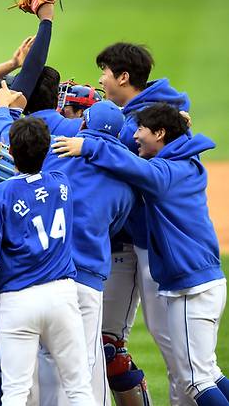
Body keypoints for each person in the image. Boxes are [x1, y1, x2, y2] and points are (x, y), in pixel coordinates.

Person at [52, 103, 229, 406]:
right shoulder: (184, 157)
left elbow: (134, 167)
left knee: (196, 380)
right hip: (201, 282)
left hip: (192, 287)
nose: (135, 136)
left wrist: (87, 145)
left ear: (160, 133)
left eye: (142, 130)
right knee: (208, 372)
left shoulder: (167, 172)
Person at [0, 116, 95, 405]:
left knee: (15, 392)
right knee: (79, 387)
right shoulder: (61, 183)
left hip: (19, 301)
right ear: (47, 149)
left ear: (12, 153)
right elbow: (30, 191)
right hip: (62, 296)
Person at [95, 42, 191, 404]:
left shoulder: (148, 121)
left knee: (179, 352)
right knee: (107, 344)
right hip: (127, 243)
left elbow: (118, 159)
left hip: (155, 245)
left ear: (123, 76)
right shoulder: (151, 112)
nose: (102, 79)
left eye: (105, 72)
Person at [39, 100, 136, 405]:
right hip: (87, 282)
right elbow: (115, 225)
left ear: (84, 125)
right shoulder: (125, 183)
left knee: (45, 358)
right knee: (84, 365)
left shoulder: (53, 152)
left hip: (45, 274)